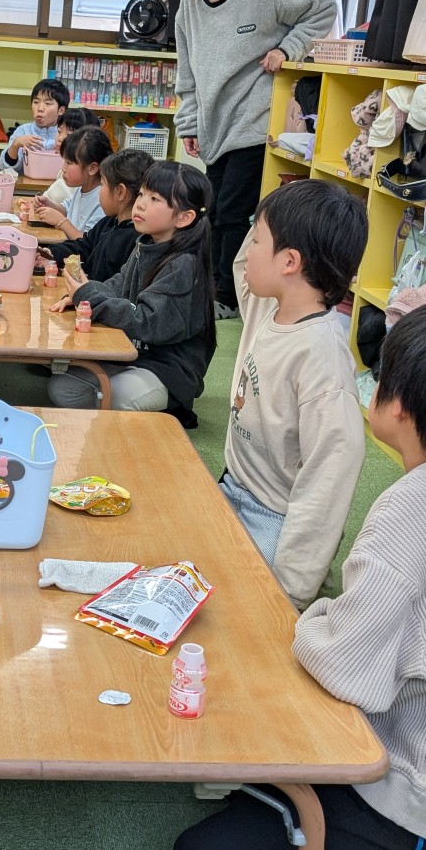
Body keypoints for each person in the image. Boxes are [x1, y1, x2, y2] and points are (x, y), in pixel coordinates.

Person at [175, 305, 426, 850]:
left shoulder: (409, 509)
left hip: (400, 783)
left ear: (398, 403)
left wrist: (312, 618)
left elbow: (344, 665)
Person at [173, 0, 336, 320]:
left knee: (231, 213)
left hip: (253, 122)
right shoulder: (189, 6)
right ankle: (210, 285)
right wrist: (189, 123)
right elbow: (186, 73)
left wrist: (287, 49)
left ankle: (227, 296)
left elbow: (322, 8)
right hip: (213, 126)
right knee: (211, 211)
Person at [223, 180, 368, 610]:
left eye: (257, 240)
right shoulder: (268, 306)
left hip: (274, 516)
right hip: (232, 487)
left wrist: (291, 590)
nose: (248, 250)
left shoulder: (322, 358)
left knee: (241, 607)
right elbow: (242, 265)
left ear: (289, 261)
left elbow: (329, 479)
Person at [48, 161, 215, 423]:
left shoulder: (184, 264)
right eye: (142, 194)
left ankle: (170, 408)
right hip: (136, 355)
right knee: (62, 388)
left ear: (184, 217)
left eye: (155, 198)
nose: (141, 204)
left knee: (120, 397)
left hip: (169, 368)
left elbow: (148, 322)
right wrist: (83, 294)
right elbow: (118, 284)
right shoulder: (145, 244)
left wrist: (91, 295)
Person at [38, 148, 152, 286]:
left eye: (102, 185)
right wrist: (49, 253)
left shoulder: (135, 239)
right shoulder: (108, 222)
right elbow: (83, 246)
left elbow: (112, 287)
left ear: (120, 192)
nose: (98, 192)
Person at [32, 126, 111, 240]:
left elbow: (88, 242)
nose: (63, 168)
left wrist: (60, 221)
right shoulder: (82, 188)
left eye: (69, 163)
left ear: (92, 168)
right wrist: (50, 205)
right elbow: (66, 209)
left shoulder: (103, 200)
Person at [0, 78, 70, 177]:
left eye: (48, 103)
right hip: (27, 186)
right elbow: (5, 168)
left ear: (61, 110)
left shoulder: (68, 134)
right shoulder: (23, 131)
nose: (40, 108)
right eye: (36, 102)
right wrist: (15, 145)